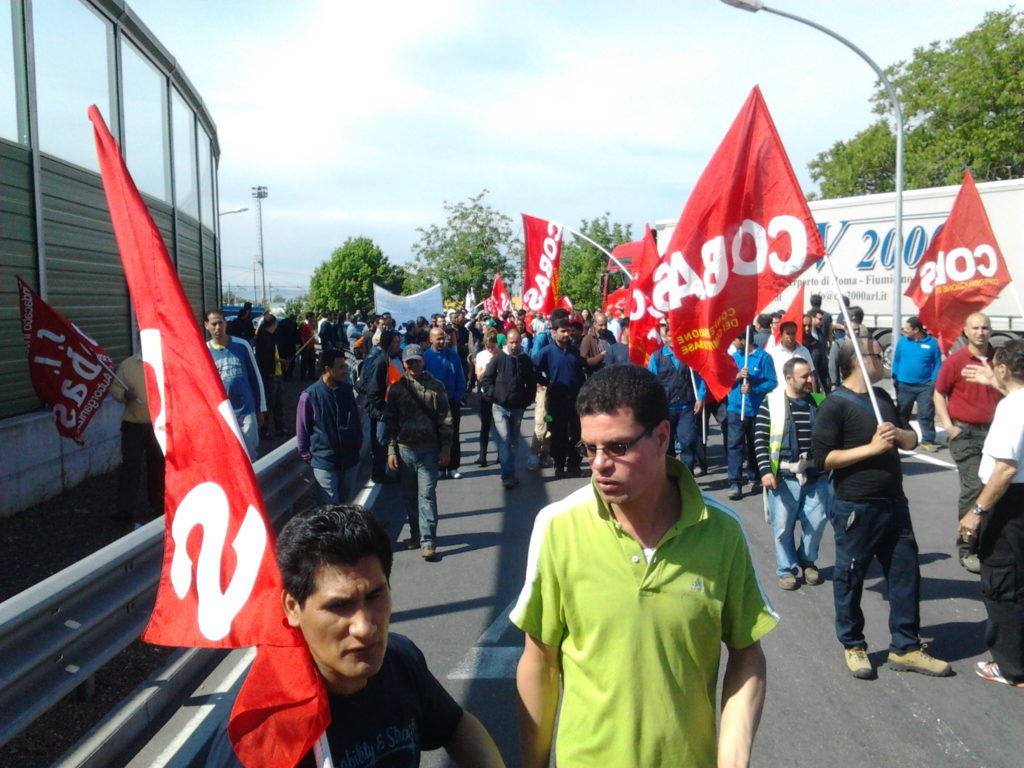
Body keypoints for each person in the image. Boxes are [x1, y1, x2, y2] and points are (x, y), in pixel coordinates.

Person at [512, 365, 777, 768]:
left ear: (662, 437)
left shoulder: (721, 532)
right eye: (590, 448)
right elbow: (540, 661)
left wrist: (733, 757)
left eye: (617, 447)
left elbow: (746, 653)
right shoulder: (557, 527)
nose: (599, 464)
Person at [205, 504, 505, 767]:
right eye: (339, 606)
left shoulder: (400, 659)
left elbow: (454, 725)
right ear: (293, 607)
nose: (364, 627)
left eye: (375, 597)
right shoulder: (260, 731)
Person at [812, 336, 952, 680]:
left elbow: (910, 438)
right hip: (856, 507)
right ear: (860, 359)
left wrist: (901, 437)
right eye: (878, 354)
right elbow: (824, 459)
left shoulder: (883, 398)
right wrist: (872, 449)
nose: (883, 360)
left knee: (906, 576)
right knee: (850, 578)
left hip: (894, 504)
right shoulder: (834, 405)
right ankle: (854, 644)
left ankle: (905, 646)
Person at [957, 340, 1024, 688]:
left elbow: (1005, 469)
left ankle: (1011, 666)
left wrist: (976, 512)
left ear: (1003, 369)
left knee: (1003, 583)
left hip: (1009, 503)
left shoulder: (1012, 408)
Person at [753, 358, 830, 590]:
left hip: (816, 475)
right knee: (783, 527)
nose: (810, 380)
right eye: (804, 376)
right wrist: (766, 471)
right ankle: (786, 569)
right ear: (789, 378)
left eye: (811, 375)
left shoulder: (820, 402)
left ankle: (808, 561)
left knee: (816, 522)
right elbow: (760, 439)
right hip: (783, 478)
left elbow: (830, 437)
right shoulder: (772, 402)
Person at [934, 312, 1002, 574]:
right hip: (967, 436)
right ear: (965, 331)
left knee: (998, 489)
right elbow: (939, 394)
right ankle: (967, 548)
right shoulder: (956, 361)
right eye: (975, 328)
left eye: (985, 327)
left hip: (997, 434)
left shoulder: (1000, 360)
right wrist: (949, 427)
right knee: (974, 488)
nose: (981, 332)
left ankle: (991, 543)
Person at [384, 345, 453, 561]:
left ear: (423, 361)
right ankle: (416, 534)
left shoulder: (436, 387)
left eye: (417, 361)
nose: (413, 365)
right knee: (409, 498)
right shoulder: (397, 390)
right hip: (405, 452)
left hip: (429, 451)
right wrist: (391, 451)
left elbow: (446, 419)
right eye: (409, 362)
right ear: (404, 363)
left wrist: (446, 448)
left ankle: (428, 541)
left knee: (427, 496)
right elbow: (391, 423)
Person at [296, 349, 362, 504]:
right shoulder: (309, 396)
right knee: (330, 511)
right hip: (325, 463)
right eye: (340, 367)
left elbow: (356, 422)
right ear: (327, 369)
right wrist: (308, 456)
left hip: (350, 460)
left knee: (346, 509)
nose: (345, 371)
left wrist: (356, 444)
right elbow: (302, 430)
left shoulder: (347, 391)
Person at [109, 353, 164, 526]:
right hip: (132, 425)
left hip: (158, 425)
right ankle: (125, 510)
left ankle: (159, 504)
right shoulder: (128, 364)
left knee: (157, 465)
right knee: (130, 466)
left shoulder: (163, 362)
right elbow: (115, 388)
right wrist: (125, 395)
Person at [205, 310, 265, 461]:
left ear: (225, 323)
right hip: (221, 414)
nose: (218, 327)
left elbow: (255, 378)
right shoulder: (204, 352)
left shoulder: (242, 345)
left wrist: (260, 409)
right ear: (206, 326)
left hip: (246, 410)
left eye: (220, 323)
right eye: (213, 324)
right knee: (226, 456)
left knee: (250, 454)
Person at [480, 328, 536, 489]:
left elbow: (531, 381)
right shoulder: (499, 357)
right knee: (504, 439)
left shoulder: (525, 359)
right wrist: (493, 395)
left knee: (513, 442)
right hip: (500, 407)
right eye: (511, 342)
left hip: (518, 407)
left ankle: (510, 471)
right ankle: (507, 475)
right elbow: (487, 378)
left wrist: (527, 399)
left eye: (517, 342)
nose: (514, 345)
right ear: (506, 342)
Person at [726, 328, 777, 500]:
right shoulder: (735, 357)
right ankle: (735, 482)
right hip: (735, 408)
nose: (732, 343)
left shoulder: (764, 358)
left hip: (755, 409)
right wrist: (737, 376)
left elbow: (772, 382)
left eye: (734, 339)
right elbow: (725, 380)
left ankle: (755, 476)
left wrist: (754, 388)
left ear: (743, 340)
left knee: (755, 445)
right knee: (735, 445)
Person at [534, 317, 586, 479]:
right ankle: (559, 464)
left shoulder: (574, 352)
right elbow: (532, 368)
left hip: (576, 400)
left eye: (568, 331)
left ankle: (574, 464)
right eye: (562, 331)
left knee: (578, 434)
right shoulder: (547, 352)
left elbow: (580, 373)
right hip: (556, 400)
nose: (566, 334)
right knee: (558, 434)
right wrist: (544, 381)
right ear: (553, 332)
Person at [648, 339, 705, 471]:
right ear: (665, 337)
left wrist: (700, 398)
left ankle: (687, 475)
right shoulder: (657, 357)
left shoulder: (689, 355)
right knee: (667, 445)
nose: (672, 339)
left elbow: (700, 377)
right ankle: (669, 475)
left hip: (686, 407)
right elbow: (651, 381)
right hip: (666, 408)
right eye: (669, 335)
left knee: (688, 442)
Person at [892, 315, 943, 451]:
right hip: (904, 384)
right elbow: (896, 360)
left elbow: (938, 362)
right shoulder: (902, 342)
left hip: (925, 386)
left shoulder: (932, 343)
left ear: (916, 330)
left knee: (925, 413)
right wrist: (894, 376)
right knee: (902, 413)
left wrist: (933, 380)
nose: (904, 330)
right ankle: (902, 438)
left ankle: (927, 440)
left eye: (907, 328)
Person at [423, 326, 466, 479]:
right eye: (438, 338)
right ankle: (440, 466)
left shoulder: (452, 355)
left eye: (443, 338)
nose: (441, 341)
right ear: (431, 339)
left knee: (453, 435)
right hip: (433, 404)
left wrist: (458, 396)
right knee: (436, 436)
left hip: (451, 401)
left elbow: (460, 376)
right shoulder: (425, 357)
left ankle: (453, 466)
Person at [362, 330, 403, 484]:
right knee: (381, 443)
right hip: (382, 413)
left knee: (396, 443)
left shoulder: (398, 360)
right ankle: (379, 473)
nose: (397, 345)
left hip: (397, 411)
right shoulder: (380, 362)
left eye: (398, 342)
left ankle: (398, 471)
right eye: (394, 342)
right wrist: (384, 409)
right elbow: (373, 392)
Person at [254, 313, 287, 439]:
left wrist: (281, 361)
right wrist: (279, 362)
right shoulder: (263, 337)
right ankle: (265, 430)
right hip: (269, 375)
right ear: (273, 323)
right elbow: (265, 358)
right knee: (268, 404)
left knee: (279, 403)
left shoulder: (272, 336)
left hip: (276, 373)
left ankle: (280, 428)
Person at [473, 328, 500, 467]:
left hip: (499, 394)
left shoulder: (501, 354)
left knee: (500, 426)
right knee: (485, 425)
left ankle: (501, 454)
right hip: (485, 394)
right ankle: (482, 455)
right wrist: (489, 364)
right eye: (487, 346)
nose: (490, 349)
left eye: (492, 346)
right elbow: (479, 375)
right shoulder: (482, 355)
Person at [767, 320, 815, 386]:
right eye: (788, 333)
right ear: (781, 334)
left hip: (801, 393)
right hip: (780, 393)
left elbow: (811, 373)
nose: (790, 336)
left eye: (793, 333)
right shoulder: (773, 353)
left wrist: (814, 395)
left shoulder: (804, 351)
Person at [578, 310, 609, 375]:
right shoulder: (588, 339)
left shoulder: (610, 335)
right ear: (594, 324)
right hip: (596, 376)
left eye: (605, 324)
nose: (604, 327)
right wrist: (600, 356)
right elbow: (584, 362)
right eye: (601, 325)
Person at [298, 312, 318, 381]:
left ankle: (311, 376)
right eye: (313, 317)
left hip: (311, 346)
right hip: (306, 346)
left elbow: (312, 334)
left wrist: (314, 341)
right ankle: (303, 377)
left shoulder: (311, 325)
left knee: (312, 361)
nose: (314, 319)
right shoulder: (304, 324)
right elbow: (302, 336)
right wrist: (305, 345)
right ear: (309, 317)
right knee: (304, 362)